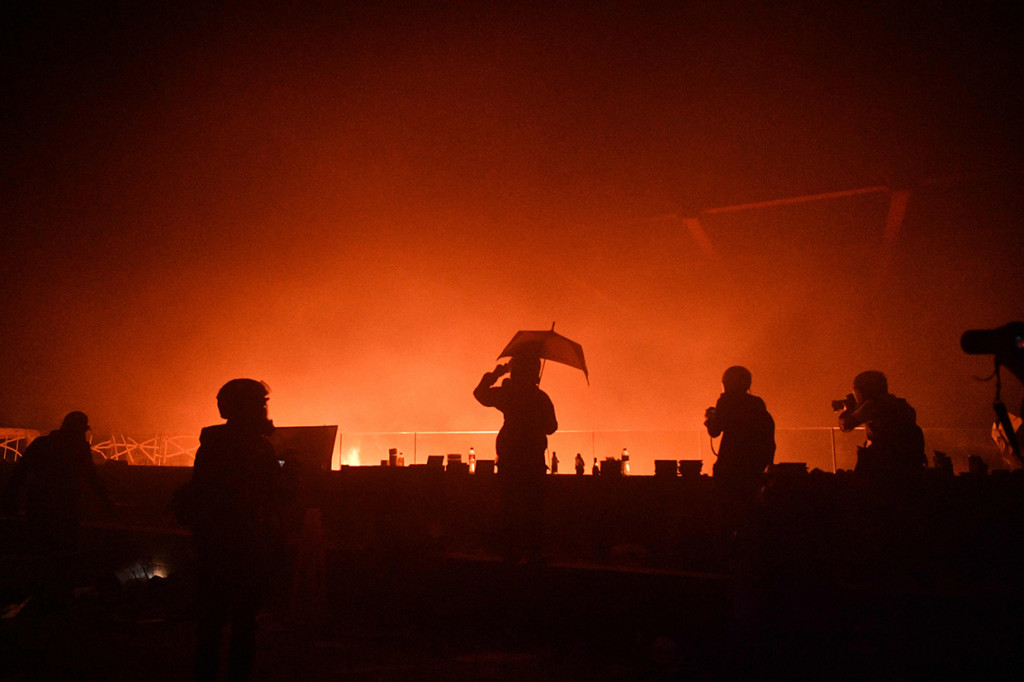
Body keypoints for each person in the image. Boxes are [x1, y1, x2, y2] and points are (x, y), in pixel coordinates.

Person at [185, 379, 286, 681]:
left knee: (210, 624)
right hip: (245, 546)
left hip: (212, 545)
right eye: (260, 402)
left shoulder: (212, 443)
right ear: (252, 407)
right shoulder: (256, 447)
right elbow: (277, 494)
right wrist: (291, 467)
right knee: (244, 624)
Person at [1, 411, 112, 607]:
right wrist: (107, 502)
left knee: (42, 552)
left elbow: (20, 473)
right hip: (65, 508)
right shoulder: (77, 449)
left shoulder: (41, 445)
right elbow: (92, 478)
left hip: (39, 507)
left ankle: (38, 597)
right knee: (63, 554)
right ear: (79, 429)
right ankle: (55, 599)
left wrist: (10, 500)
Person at [474, 354, 557, 564]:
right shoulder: (541, 398)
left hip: (509, 459)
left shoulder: (508, 394)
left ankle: (508, 552)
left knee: (508, 507)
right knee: (533, 509)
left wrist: (496, 374)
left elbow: (480, 394)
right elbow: (551, 427)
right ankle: (533, 552)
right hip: (533, 460)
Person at [704, 366, 775, 531]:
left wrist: (710, 419)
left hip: (729, 466)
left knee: (725, 511)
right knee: (750, 510)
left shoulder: (726, 402)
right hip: (753, 467)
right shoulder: (757, 404)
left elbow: (715, 430)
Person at [837, 370, 925, 478]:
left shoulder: (874, 405)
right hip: (906, 466)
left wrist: (849, 409)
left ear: (862, 391)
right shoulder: (898, 404)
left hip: (884, 465)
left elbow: (846, 425)